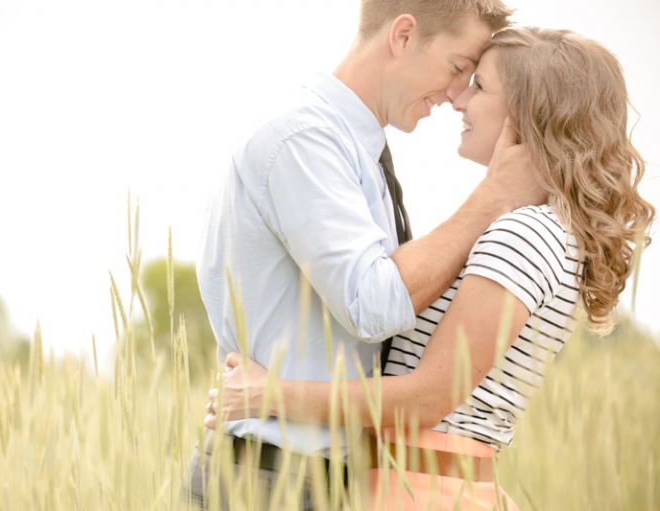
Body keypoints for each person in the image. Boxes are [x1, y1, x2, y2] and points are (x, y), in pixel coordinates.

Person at [204, 27, 656, 510]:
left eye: (479, 86)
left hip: (423, 490)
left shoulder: (524, 236)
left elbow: (426, 400)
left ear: (528, 112)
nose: (459, 99)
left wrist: (267, 396)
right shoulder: (527, 229)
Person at [186, 0, 548, 508]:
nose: (455, 94)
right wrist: (494, 197)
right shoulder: (305, 140)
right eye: (457, 67)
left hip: (322, 477)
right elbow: (374, 304)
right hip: (270, 479)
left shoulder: (355, 147)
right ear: (402, 36)